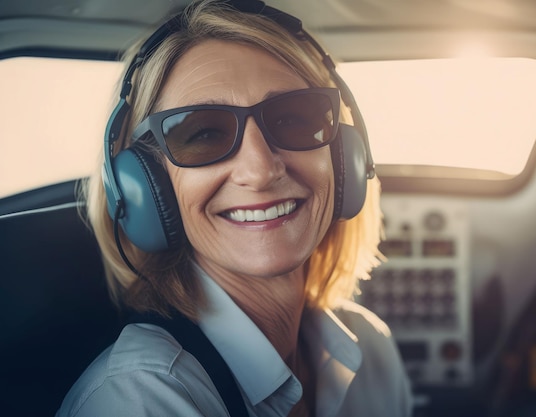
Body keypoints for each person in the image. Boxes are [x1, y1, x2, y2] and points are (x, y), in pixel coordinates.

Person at [57, 0, 412, 416]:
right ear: (142, 185)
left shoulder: (370, 348)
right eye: (203, 133)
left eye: (295, 119)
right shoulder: (139, 399)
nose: (261, 170)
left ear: (345, 158)